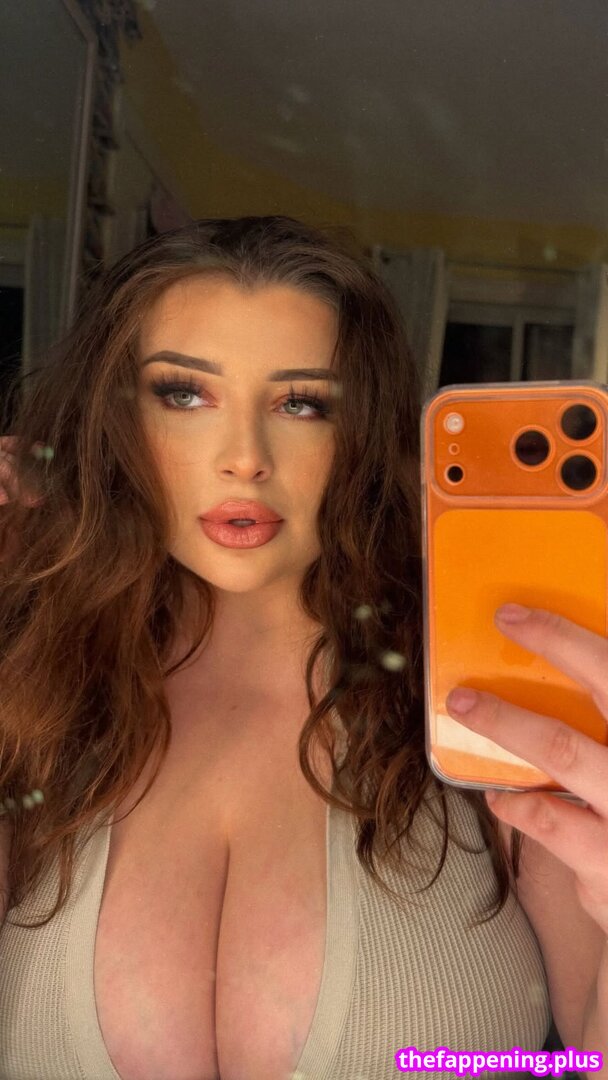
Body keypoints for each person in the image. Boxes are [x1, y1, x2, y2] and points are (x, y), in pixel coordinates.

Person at [0, 216, 604, 1080]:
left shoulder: (491, 704)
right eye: (184, 394)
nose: (245, 459)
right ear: (112, 420)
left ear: (362, 435)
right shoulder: (35, 699)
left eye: (302, 403)